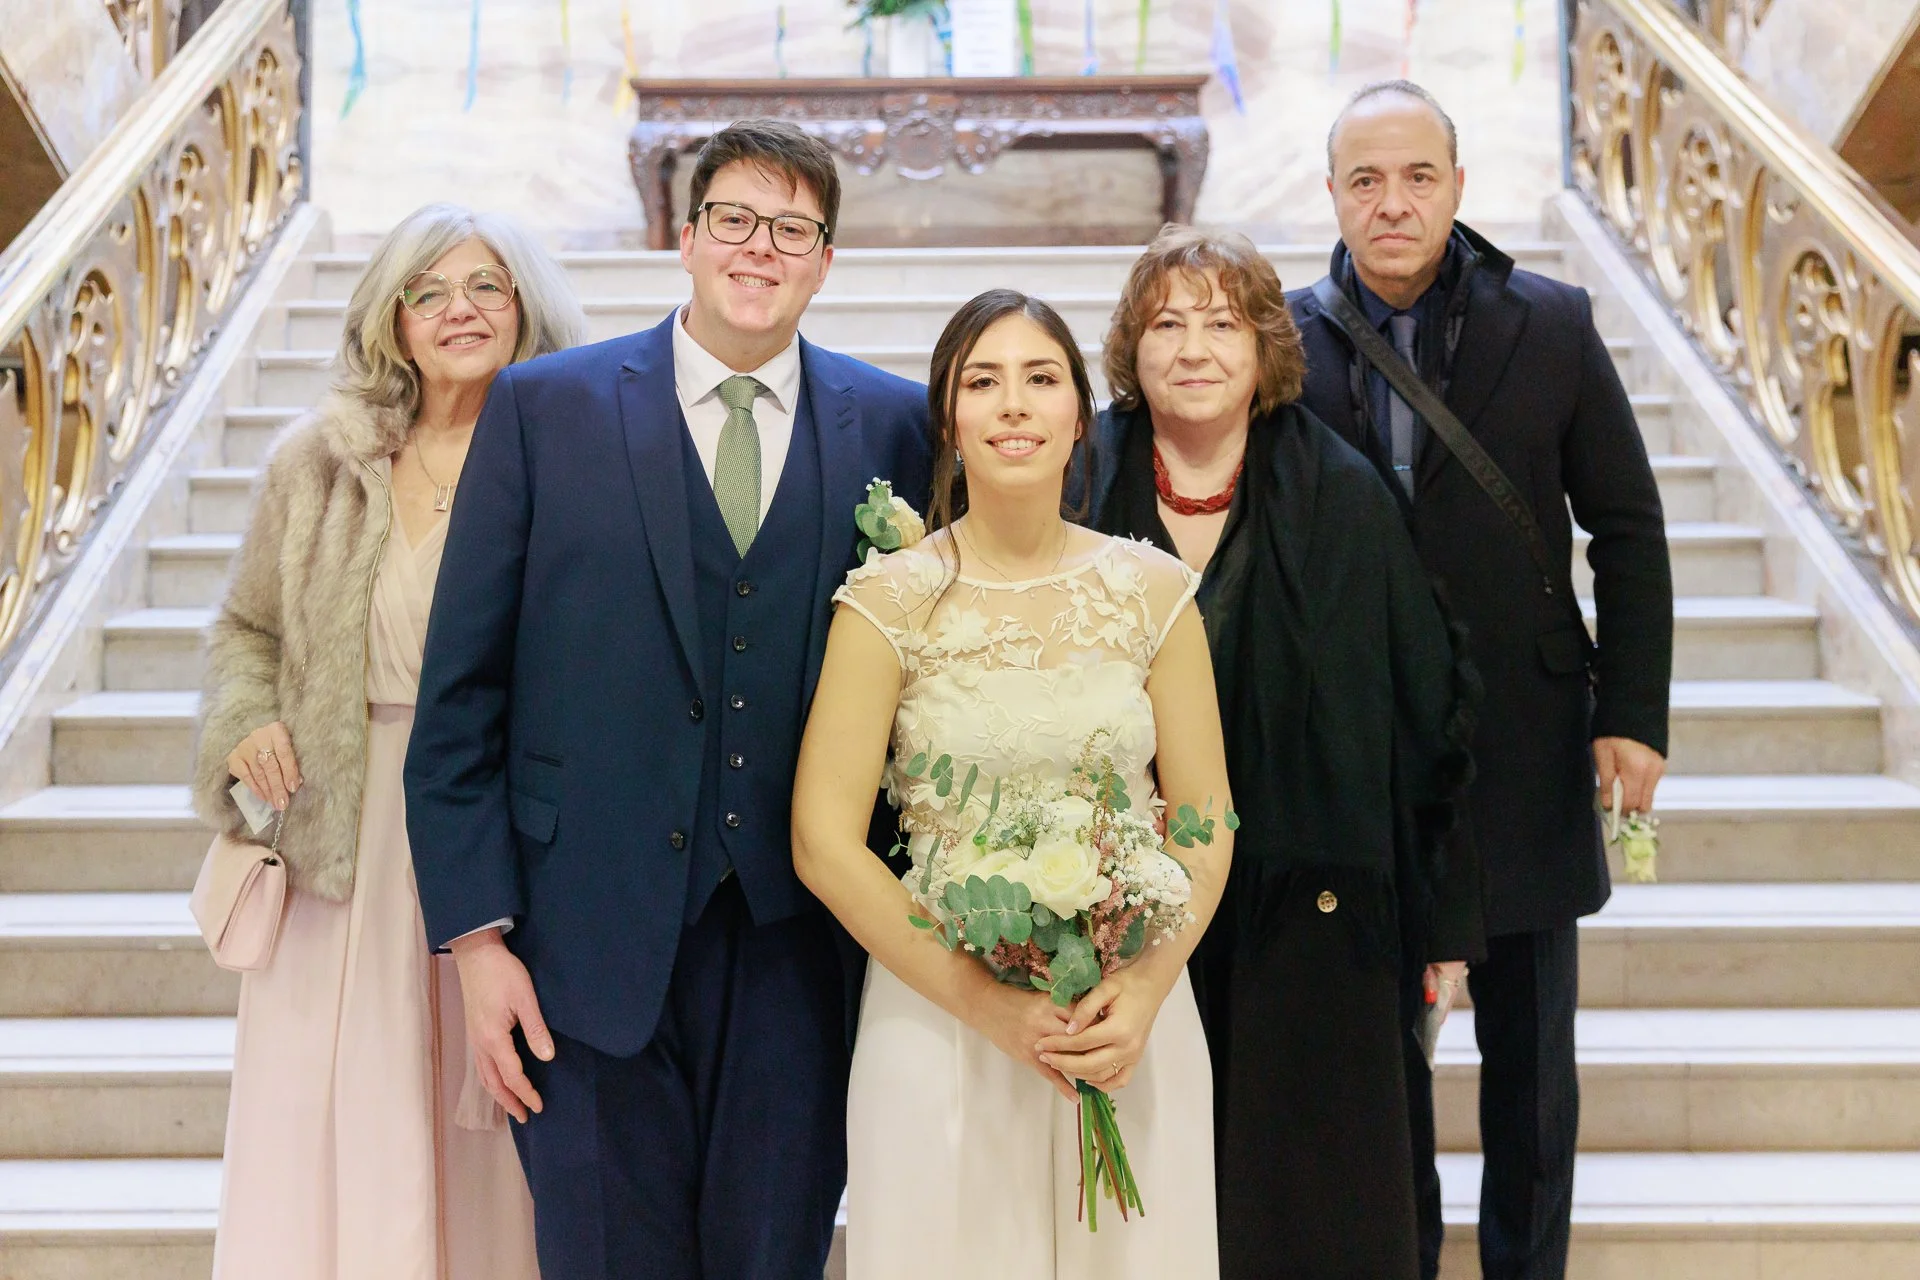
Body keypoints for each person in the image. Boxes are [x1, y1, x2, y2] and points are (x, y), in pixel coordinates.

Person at [402, 120, 931, 1279]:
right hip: (579, 943)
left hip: (801, 946)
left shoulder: (895, 422)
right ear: (684, 237)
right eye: (735, 219)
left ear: (825, 259)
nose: (760, 248)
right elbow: (458, 707)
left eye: (793, 228)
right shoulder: (546, 408)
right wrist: (478, 944)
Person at [1289, 81, 1674, 1280]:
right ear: (1336, 195)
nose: (1391, 202)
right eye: (1366, 180)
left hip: (1523, 737)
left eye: (1415, 177)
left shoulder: (1550, 322)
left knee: (1528, 1068)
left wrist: (1635, 714)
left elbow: (1627, 524)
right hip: (1354, 752)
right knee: (1375, 1059)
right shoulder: (1279, 338)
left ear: (1458, 186)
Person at [793, 289, 1233, 1277]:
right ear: (948, 415)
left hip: (1125, 1021)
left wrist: (1146, 986)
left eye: (1041, 379)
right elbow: (822, 837)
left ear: (1081, 412)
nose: (1014, 405)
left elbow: (1204, 816)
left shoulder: (1153, 590)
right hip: (939, 1016)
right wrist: (987, 1005)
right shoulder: (887, 600)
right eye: (981, 381)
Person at [191, 201, 585, 1279]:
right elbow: (245, 628)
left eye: (485, 287)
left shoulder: (575, 452)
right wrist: (244, 721)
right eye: (430, 290)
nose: (459, 310)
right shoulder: (315, 463)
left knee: (489, 1111)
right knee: (337, 1111)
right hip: (341, 843)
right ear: (394, 319)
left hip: (500, 834)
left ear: (525, 306)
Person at [1084, 225, 1479, 1279]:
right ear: (1133, 345)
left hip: (1312, 917)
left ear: (1267, 347)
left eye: (1224, 321)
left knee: (1303, 1211)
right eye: (1167, 321)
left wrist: (1444, 916)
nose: (1195, 346)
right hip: (1108, 914)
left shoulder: (1344, 493)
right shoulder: (1078, 475)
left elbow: (1424, 706)